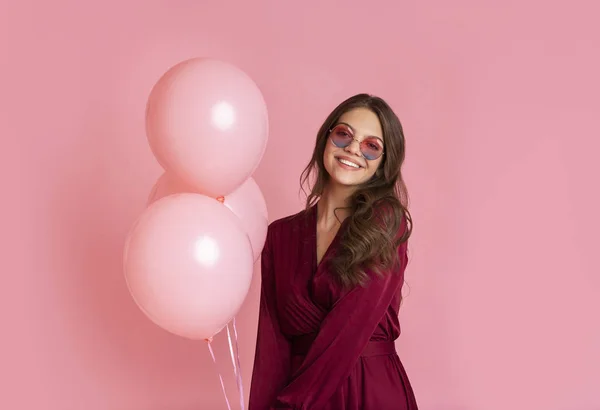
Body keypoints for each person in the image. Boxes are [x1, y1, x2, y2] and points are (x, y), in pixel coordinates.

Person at [248, 93, 418, 410]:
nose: (354, 148)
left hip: (369, 392)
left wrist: (290, 406)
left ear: (384, 164)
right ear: (326, 139)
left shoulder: (385, 223)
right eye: (344, 135)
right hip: (296, 393)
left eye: (372, 146)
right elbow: (271, 347)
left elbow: (349, 328)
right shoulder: (279, 236)